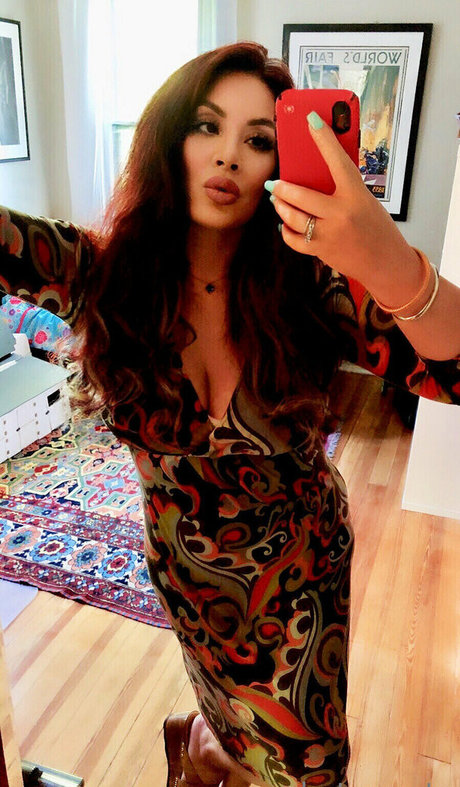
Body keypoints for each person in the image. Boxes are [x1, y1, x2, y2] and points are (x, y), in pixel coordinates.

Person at [1, 42, 460, 787]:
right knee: (236, 729)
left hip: (302, 585)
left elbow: (453, 371)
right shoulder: (102, 274)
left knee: (313, 772)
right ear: (167, 138)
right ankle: (203, 744)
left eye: (257, 139)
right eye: (206, 126)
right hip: (189, 582)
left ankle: (209, 749)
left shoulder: (312, 290)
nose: (228, 155)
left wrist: (386, 258)